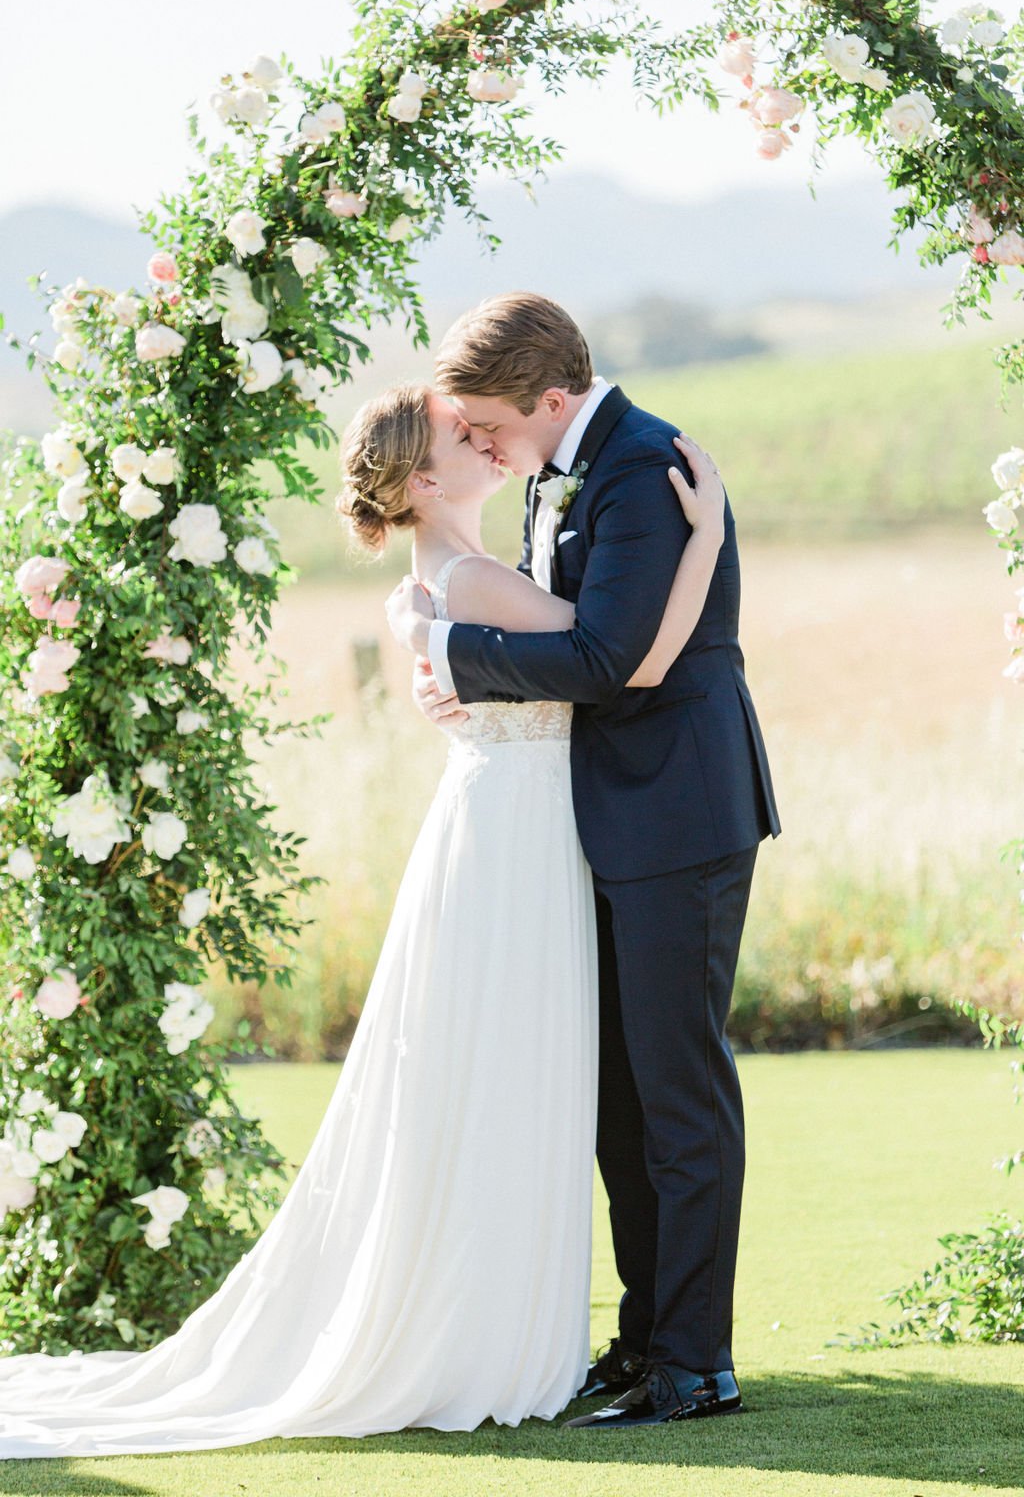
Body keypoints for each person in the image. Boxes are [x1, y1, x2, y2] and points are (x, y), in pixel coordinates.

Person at [0, 379, 726, 1457]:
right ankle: (490, 1329)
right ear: (426, 480)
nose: (486, 440)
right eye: (462, 436)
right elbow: (631, 660)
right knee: (509, 1078)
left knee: (487, 1077)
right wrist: (705, 538)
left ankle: (496, 1314)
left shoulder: (444, 579)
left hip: (500, 830)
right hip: (519, 841)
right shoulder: (475, 575)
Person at [386, 292, 780, 1430]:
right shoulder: (567, 469)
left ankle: (695, 1363)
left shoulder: (645, 467)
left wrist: (451, 649)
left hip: (678, 815)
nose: (485, 449)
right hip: (598, 815)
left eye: (490, 427)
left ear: (551, 402)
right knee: (618, 1100)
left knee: (678, 1091)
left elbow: (612, 658)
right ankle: (646, 1337)